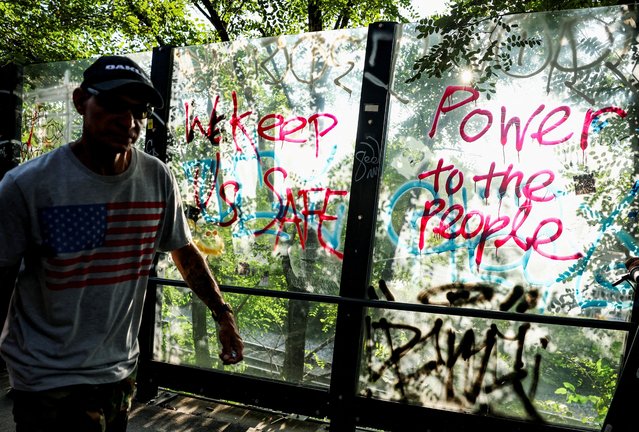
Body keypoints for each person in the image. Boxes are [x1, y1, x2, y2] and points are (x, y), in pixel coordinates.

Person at [0, 55, 244, 431]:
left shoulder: (155, 177)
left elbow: (183, 250)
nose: (129, 122)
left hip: (119, 374)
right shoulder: (28, 187)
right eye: (114, 105)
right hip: (49, 381)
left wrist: (222, 313)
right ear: (81, 101)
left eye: (140, 112)